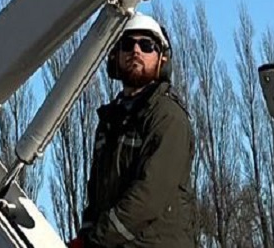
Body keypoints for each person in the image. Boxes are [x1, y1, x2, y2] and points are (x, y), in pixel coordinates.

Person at [70, 13, 199, 248]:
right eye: (128, 44)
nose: (136, 51)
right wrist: (86, 234)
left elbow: (149, 195)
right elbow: (96, 194)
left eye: (147, 45)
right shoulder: (110, 122)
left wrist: (96, 241)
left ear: (162, 59)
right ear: (115, 56)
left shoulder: (167, 117)